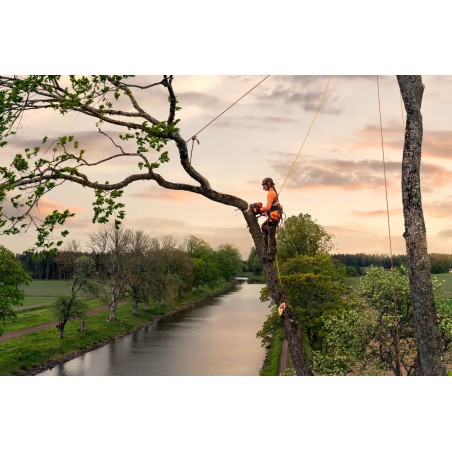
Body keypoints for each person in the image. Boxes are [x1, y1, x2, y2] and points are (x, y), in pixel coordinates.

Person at [259, 177, 282, 260]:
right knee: (264, 227)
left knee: (272, 236)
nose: (263, 188)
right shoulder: (272, 192)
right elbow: (271, 207)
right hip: (273, 215)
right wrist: (264, 212)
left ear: (268, 184)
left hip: (274, 217)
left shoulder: (271, 193)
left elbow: (268, 207)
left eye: (264, 185)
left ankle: (272, 255)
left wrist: (258, 210)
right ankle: (265, 248)